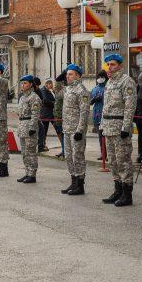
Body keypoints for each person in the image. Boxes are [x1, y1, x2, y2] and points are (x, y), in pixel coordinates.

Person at [100, 54, 137, 206]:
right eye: (108, 64)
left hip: (120, 127)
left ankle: (127, 194)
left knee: (123, 161)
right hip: (109, 127)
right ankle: (118, 190)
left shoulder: (126, 81)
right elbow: (106, 106)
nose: (110, 67)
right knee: (113, 161)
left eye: (113, 64)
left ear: (120, 65)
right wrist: (102, 125)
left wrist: (126, 127)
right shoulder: (109, 82)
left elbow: (130, 106)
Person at [59, 65, 90, 195]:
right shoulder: (68, 89)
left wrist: (80, 130)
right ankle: (73, 181)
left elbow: (84, 111)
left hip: (76, 130)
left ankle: (80, 185)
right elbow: (57, 91)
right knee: (69, 157)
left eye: (70, 74)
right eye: (67, 74)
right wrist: (60, 78)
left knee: (78, 157)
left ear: (78, 75)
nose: (67, 76)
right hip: (67, 128)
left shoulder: (81, 90)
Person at [16, 75, 42, 183]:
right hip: (22, 125)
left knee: (30, 151)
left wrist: (32, 127)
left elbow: (35, 114)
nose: (23, 85)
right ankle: (27, 172)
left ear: (31, 84)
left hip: (30, 126)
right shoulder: (22, 97)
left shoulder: (34, 97)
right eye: (22, 83)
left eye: (25, 83)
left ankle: (32, 174)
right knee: (24, 151)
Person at [90, 70, 106, 158]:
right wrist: (94, 99)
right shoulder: (94, 89)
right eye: (99, 77)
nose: (100, 79)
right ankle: (103, 153)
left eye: (102, 77)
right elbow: (90, 102)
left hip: (106, 115)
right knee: (100, 136)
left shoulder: (108, 87)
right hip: (97, 115)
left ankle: (109, 154)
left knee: (107, 135)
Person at [36, 77, 55, 152]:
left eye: (51, 83)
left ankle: (43, 144)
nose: (51, 85)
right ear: (46, 84)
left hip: (51, 113)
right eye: (49, 83)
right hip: (45, 113)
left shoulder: (51, 91)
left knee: (57, 129)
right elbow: (45, 100)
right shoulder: (43, 90)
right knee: (44, 130)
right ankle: (42, 145)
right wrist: (54, 103)